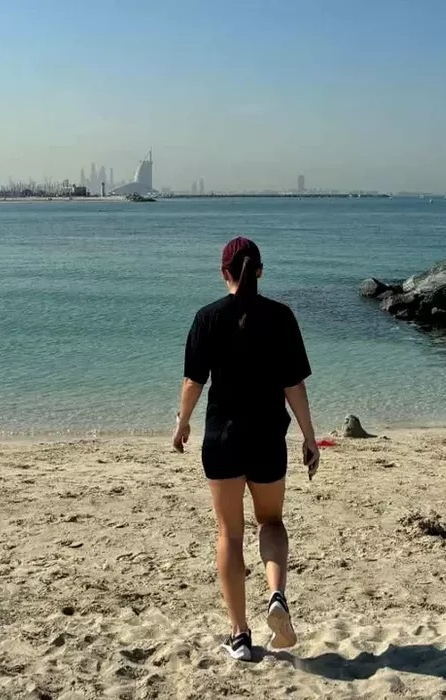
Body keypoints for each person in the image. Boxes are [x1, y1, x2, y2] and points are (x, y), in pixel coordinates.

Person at [172, 236, 320, 661]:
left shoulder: (207, 317)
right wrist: (309, 438)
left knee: (229, 533)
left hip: (222, 438)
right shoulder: (281, 316)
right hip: (268, 437)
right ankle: (276, 595)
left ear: (224, 273)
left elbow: (194, 382)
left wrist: (182, 424)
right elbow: (294, 385)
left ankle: (239, 635)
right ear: (260, 271)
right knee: (271, 522)